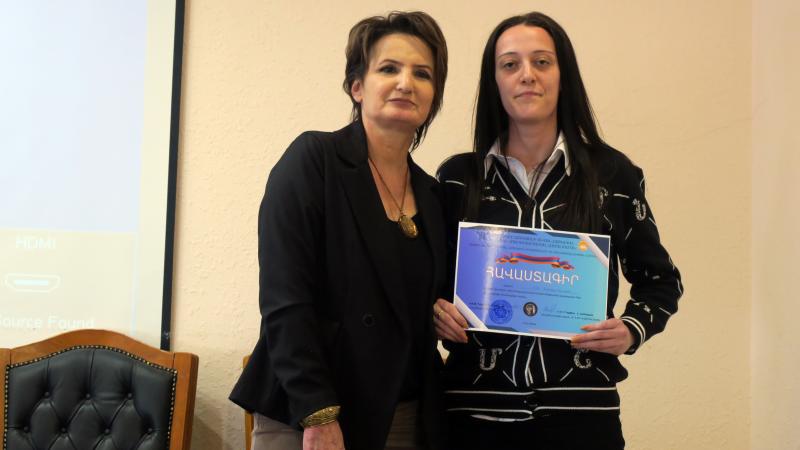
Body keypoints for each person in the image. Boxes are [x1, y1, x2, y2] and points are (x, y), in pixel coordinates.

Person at [433, 12, 683, 449]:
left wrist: (630, 329)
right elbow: (425, 280)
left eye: (542, 62)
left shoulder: (613, 174)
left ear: (563, 75)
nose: (526, 75)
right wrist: (433, 310)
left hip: (582, 414)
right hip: (474, 412)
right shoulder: (457, 179)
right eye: (510, 64)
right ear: (494, 82)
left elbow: (661, 281)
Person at [230, 11, 449, 450]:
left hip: (405, 415)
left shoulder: (434, 194)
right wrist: (319, 413)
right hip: (309, 416)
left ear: (433, 95)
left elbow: (421, 309)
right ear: (357, 86)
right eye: (389, 68)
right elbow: (284, 300)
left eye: (422, 74)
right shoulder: (314, 160)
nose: (406, 83)